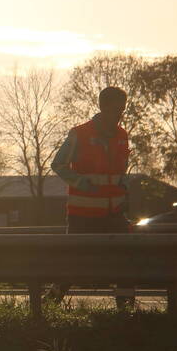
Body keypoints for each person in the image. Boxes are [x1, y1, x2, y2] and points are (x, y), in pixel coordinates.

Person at [49, 85, 132, 308]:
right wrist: (81, 182)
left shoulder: (122, 135)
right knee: (75, 263)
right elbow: (58, 164)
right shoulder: (80, 134)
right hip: (83, 215)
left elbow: (120, 172)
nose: (119, 114)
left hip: (114, 214)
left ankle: (126, 310)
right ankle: (51, 302)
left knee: (125, 261)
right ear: (102, 107)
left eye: (122, 110)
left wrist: (124, 191)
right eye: (116, 109)